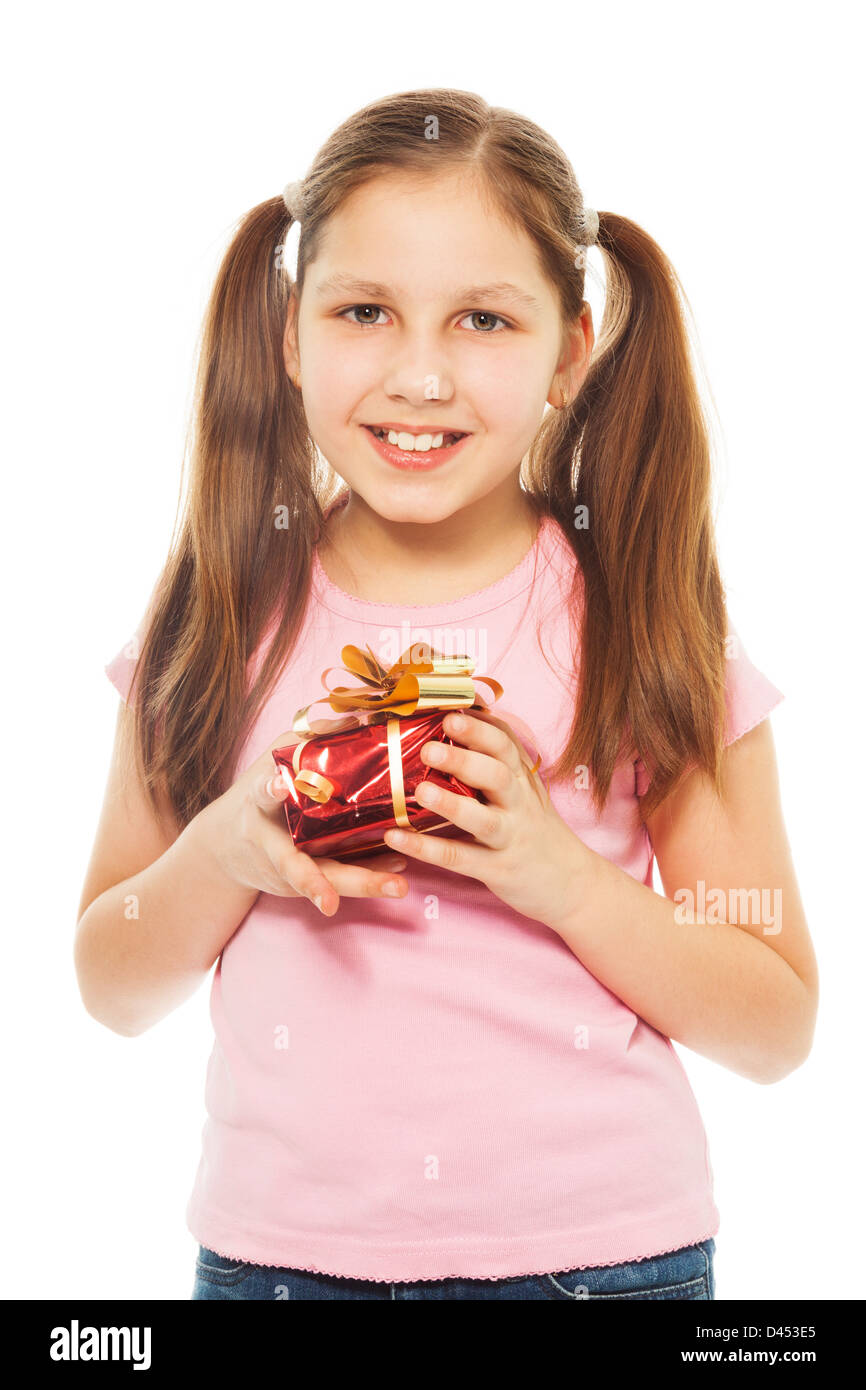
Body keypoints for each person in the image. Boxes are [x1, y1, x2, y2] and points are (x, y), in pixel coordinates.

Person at [75, 88, 818, 1302]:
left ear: (568, 351)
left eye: (482, 319)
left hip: (604, 1267)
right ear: (288, 334)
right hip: (281, 1267)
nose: (418, 375)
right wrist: (231, 848)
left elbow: (773, 1022)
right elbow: (111, 981)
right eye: (363, 310)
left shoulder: (644, 619)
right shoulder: (213, 619)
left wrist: (554, 871)